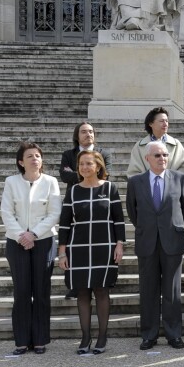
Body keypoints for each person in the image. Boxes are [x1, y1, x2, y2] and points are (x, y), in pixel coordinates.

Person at [58, 151, 125, 355]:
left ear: (98, 166)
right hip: (77, 248)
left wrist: (119, 244)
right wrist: (62, 252)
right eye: (81, 164)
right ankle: (85, 337)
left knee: (102, 290)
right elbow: (64, 224)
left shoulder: (110, 188)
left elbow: (118, 220)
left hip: (104, 247)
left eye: (89, 163)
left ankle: (102, 336)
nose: (85, 167)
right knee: (82, 292)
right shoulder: (73, 191)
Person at [126, 141, 184, 350]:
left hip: (172, 240)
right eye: (157, 155)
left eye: (165, 155)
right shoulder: (136, 182)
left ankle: (174, 334)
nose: (162, 158)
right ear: (147, 159)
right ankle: (149, 335)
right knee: (148, 290)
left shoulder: (180, 179)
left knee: (172, 291)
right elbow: (132, 212)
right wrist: (150, 228)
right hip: (147, 241)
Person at [1, 142, 61, 355]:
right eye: (30, 156)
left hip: (43, 241)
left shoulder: (50, 182)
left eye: (38, 155)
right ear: (21, 162)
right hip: (16, 242)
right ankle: (22, 340)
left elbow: (54, 213)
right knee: (22, 291)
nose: (35, 159)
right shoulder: (11, 182)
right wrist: (21, 235)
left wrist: (33, 233)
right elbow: (6, 212)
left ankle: (40, 339)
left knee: (41, 291)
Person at [59, 121, 113, 300]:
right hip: (76, 202)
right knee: (78, 245)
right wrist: (88, 174)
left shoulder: (104, 153)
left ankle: (98, 284)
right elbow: (64, 175)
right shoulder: (68, 154)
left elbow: (106, 174)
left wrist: (82, 174)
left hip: (98, 200)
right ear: (77, 135)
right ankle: (76, 286)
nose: (88, 134)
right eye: (83, 131)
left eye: (91, 131)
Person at [127, 107, 184, 200]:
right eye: (161, 121)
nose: (165, 124)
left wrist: (170, 185)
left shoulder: (176, 145)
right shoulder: (139, 146)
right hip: (147, 196)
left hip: (172, 195)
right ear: (151, 124)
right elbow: (133, 173)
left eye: (167, 121)